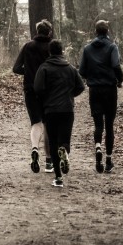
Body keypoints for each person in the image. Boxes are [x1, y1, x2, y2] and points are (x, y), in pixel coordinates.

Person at [34, 39, 85, 188]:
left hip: (50, 110)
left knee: (54, 143)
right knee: (65, 140)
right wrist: (70, 95)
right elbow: (81, 86)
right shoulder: (70, 68)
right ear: (62, 51)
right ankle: (65, 151)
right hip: (67, 109)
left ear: (50, 52)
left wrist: (46, 98)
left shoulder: (44, 68)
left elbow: (37, 88)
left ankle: (58, 178)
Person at [79, 20, 123, 173]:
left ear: (95, 32)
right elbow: (116, 65)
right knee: (109, 125)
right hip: (109, 90)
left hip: (95, 90)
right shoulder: (112, 47)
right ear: (107, 31)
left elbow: (82, 71)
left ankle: (98, 147)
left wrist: (91, 76)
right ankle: (109, 159)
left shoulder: (87, 49)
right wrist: (120, 80)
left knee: (98, 124)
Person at [13, 19, 54, 173]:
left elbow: (16, 68)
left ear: (37, 31)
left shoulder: (28, 46)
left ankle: (35, 149)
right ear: (49, 32)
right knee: (47, 124)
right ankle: (49, 161)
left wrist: (29, 73)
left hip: (30, 89)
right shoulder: (52, 47)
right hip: (48, 90)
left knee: (36, 123)